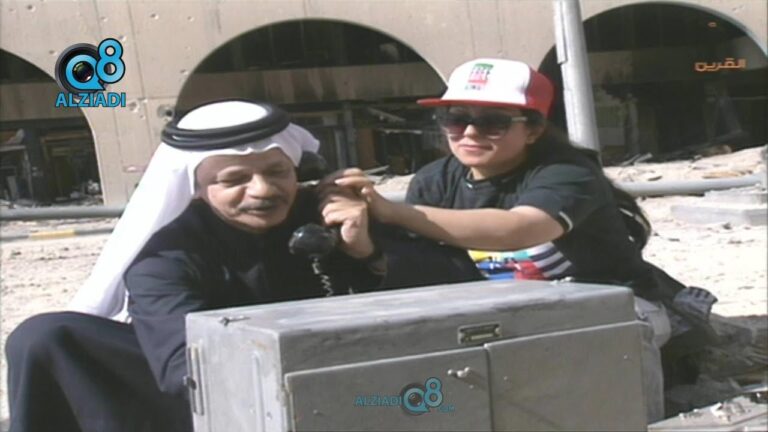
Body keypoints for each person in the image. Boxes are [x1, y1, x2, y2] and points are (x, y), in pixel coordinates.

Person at [5, 100, 480, 432]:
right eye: (234, 179)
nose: (262, 190)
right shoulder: (166, 255)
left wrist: (369, 252)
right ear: (197, 188)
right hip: (232, 401)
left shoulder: (333, 214)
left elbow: (468, 285)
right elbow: (182, 369)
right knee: (45, 336)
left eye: (277, 172)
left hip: (365, 382)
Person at [334, 58, 718, 422]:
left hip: (613, 300)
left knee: (603, 342)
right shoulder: (436, 181)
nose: (469, 133)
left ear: (533, 129)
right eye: (456, 118)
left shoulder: (568, 173)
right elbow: (429, 267)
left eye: (493, 123)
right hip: (505, 310)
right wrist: (365, 246)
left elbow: (519, 229)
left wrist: (394, 211)